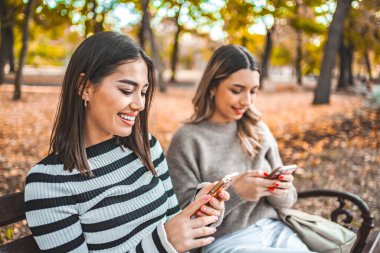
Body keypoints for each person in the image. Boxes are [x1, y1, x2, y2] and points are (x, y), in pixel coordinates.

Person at [24, 31, 229, 253]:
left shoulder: (147, 147)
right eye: (127, 90)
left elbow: (172, 222)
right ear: (85, 87)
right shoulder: (49, 183)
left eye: (143, 92)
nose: (140, 104)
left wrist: (197, 213)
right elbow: (167, 240)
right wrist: (163, 243)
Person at [166, 45, 313, 253]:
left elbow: (287, 202)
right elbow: (182, 217)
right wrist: (236, 193)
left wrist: (280, 189)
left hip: (275, 230)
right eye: (237, 90)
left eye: (253, 91)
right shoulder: (188, 139)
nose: (247, 101)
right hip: (225, 241)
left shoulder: (258, 129)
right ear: (213, 86)